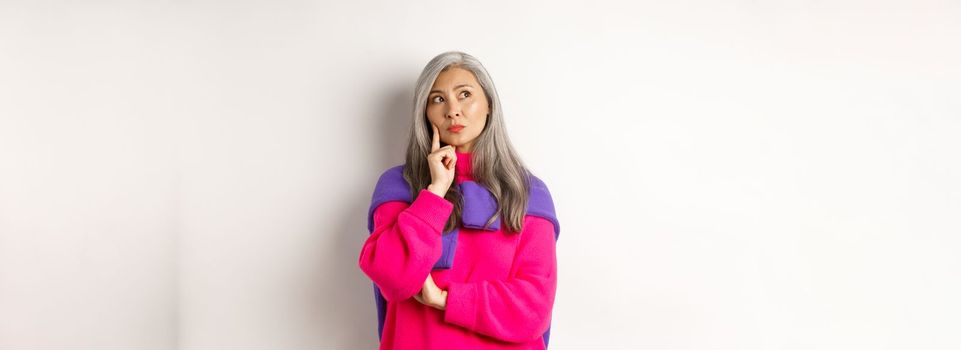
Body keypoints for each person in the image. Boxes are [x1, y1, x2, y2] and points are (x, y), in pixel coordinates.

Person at [359, 51, 560, 350]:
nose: (453, 110)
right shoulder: (399, 186)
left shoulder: (527, 192)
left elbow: (534, 307)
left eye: (465, 94)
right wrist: (435, 192)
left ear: (489, 104)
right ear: (424, 112)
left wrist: (444, 299)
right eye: (438, 99)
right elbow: (392, 277)